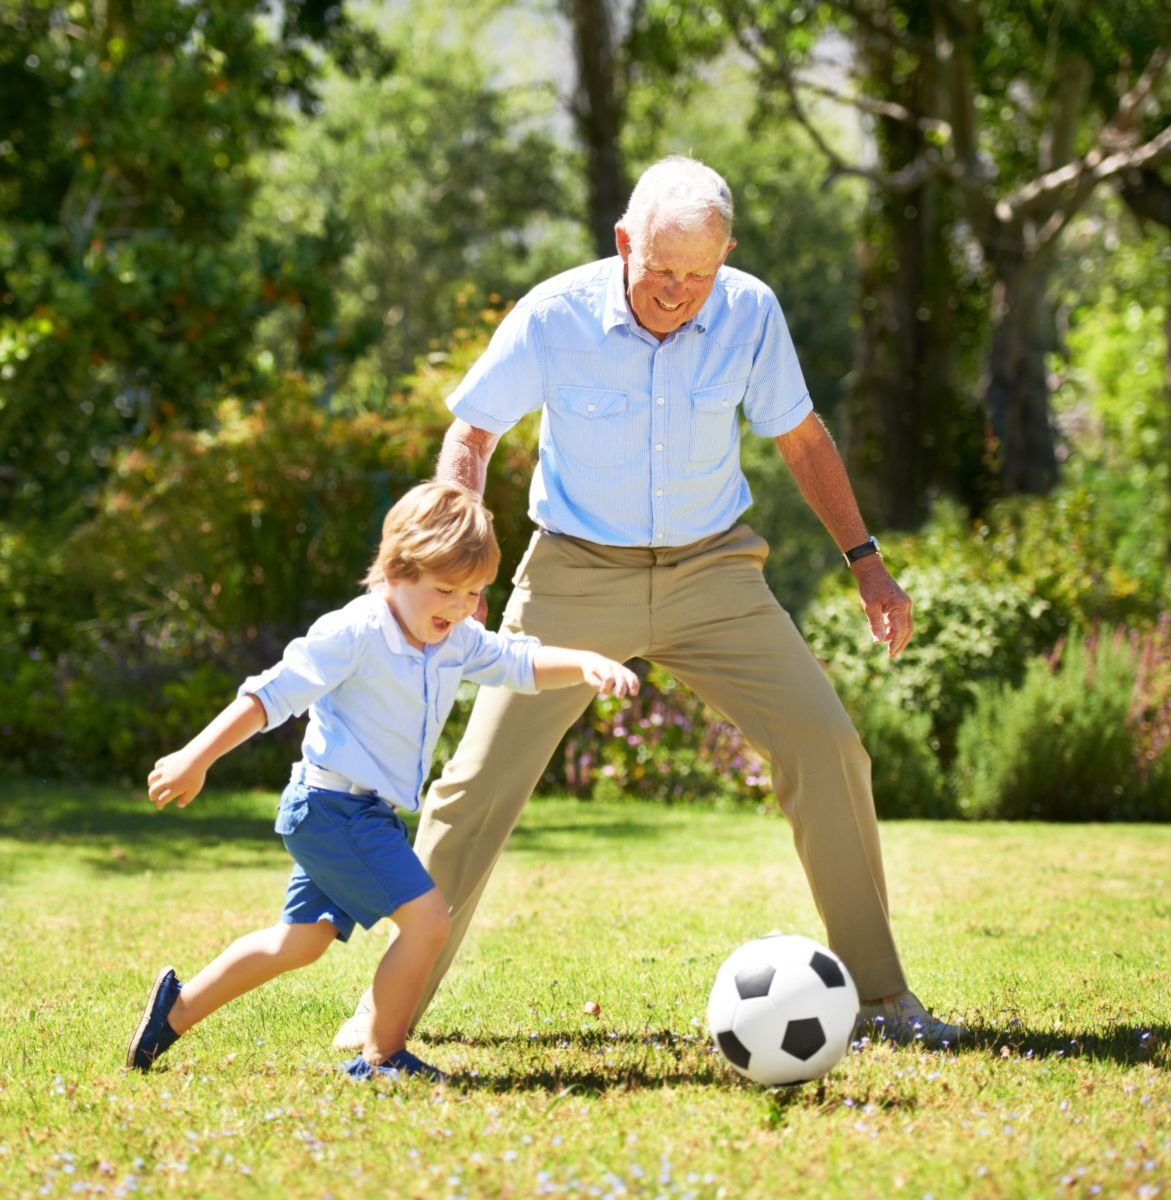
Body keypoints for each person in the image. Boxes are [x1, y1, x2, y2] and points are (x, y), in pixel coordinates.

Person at [334, 155, 966, 1053]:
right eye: (661, 271)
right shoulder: (556, 316)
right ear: (625, 243)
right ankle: (384, 1012)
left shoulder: (749, 310)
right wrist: (456, 562)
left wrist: (867, 563)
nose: (677, 293)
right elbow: (471, 431)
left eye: (697, 275)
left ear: (726, 258)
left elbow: (801, 436)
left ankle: (879, 997)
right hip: (575, 576)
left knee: (829, 748)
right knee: (476, 788)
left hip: (715, 574)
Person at [127, 480, 639, 1080]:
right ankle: (382, 1056)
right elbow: (270, 695)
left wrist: (584, 662)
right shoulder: (356, 632)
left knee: (302, 942)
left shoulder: (455, 639)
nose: (457, 606)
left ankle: (174, 1011)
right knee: (428, 921)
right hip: (331, 808)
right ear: (396, 571)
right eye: (444, 589)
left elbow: (517, 662)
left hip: (358, 813)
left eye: (473, 592)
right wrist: (196, 755)